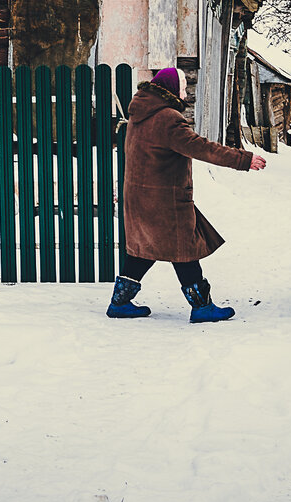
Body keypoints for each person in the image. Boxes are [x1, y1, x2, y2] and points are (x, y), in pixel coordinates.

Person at [107, 67, 266, 323]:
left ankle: (120, 302)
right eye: (182, 85)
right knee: (184, 248)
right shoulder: (168, 118)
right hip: (164, 199)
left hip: (139, 196)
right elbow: (201, 147)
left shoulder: (139, 113)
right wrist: (243, 160)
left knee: (143, 249)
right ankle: (202, 307)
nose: (185, 91)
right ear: (169, 88)